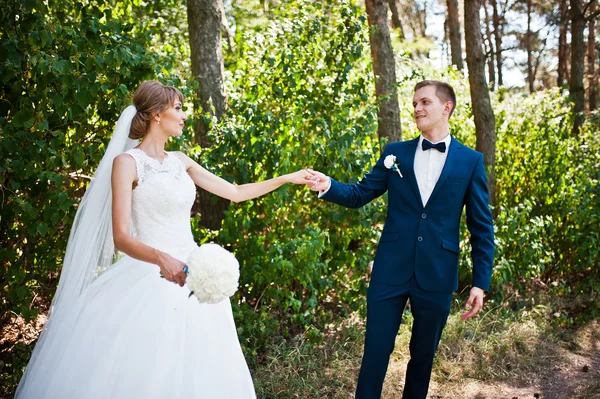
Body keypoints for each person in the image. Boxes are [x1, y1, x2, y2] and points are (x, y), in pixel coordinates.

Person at [16, 80, 312, 398]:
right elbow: (121, 237)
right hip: (148, 276)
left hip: (194, 273)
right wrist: (160, 258)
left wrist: (288, 178)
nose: (184, 115)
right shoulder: (126, 164)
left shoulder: (180, 161)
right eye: (178, 108)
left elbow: (236, 193)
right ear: (157, 114)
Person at [307, 80, 494, 399]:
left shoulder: (470, 161)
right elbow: (359, 194)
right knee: (375, 354)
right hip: (389, 269)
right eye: (415, 104)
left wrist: (480, 282)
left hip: (437, 272)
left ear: (446, 108)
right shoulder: (395, 154)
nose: (417, 109)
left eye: (425, 102)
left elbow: (481, 225)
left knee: (423, 359)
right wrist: (328, 186)